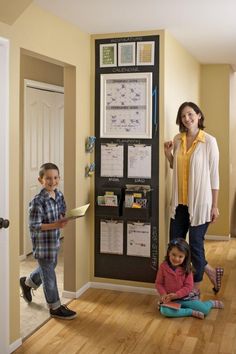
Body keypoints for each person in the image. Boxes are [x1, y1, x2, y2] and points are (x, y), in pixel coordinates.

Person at [164, 102, 223, 294]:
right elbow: (177, 168)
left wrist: (214, 205)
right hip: (180, 203)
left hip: (200, 204)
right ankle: (208, 272)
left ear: (198, 115)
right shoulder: (178, 139)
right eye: (183, 116)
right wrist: (168, 155)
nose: (186, 119)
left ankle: (195, 289)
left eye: (190, 114)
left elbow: (214, 175)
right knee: (176, 244)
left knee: (196, 246)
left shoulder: (209, 141)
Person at [20, 163, 77, 320]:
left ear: (59, 178)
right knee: (50, 277)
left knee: (49, 268)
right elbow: (34, 226)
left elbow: (62, 210)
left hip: (54, 243)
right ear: (41, 180)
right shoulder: (37, 202)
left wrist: (63, 217)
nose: (52, 181)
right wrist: (56, 224)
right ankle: (55, 307)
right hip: (43, 245)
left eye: (55, 178)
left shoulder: (58, 195)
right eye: (48, 178)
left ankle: (27, 282)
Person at [155, 238, 224, 319]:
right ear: (168, 253)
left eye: (180, 256)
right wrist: (164, 294)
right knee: (165, 311)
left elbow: (188, 286)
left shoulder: (188, 268)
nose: (176, 259)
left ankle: (210, 303)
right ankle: (190, 312)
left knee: (204, 310)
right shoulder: (163, 266)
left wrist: (177, 295)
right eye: (173, 255)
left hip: (186, 298)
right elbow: (159, 283)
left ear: (185, 257)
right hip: (169, 299)